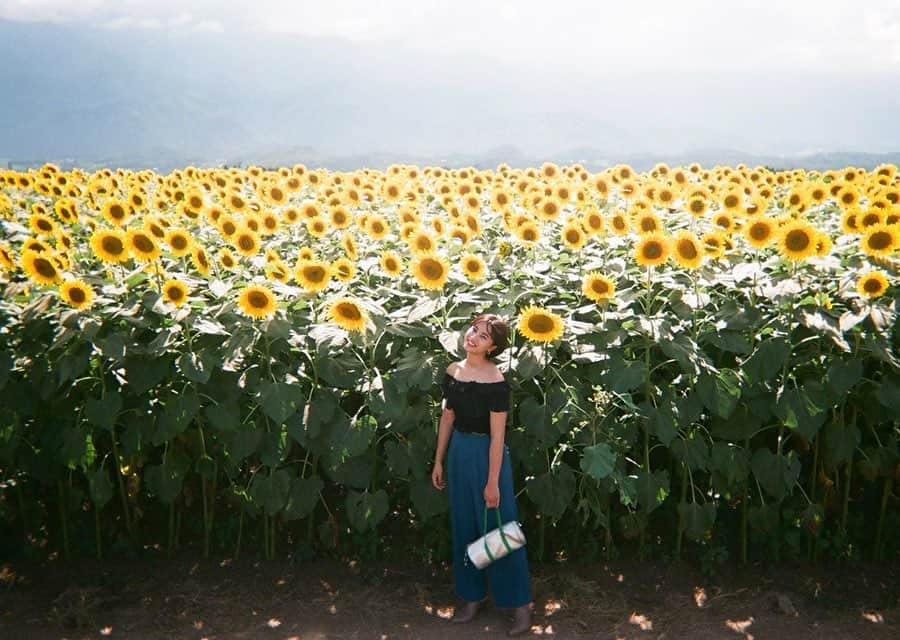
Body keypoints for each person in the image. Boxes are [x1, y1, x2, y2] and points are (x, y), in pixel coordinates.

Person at [431, 313, 533, 637]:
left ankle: (519, 606)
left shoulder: (496, 382)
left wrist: (492, 482)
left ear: (492, 348)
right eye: (473, 329)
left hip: (488, 457)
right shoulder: (452, 372)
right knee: (464, 526)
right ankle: (472, 598)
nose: (473, 337)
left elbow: (498, 437)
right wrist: (438, 461)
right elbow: (447, 418)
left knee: (502, 531)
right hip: (459, 454)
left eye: (483, 336)